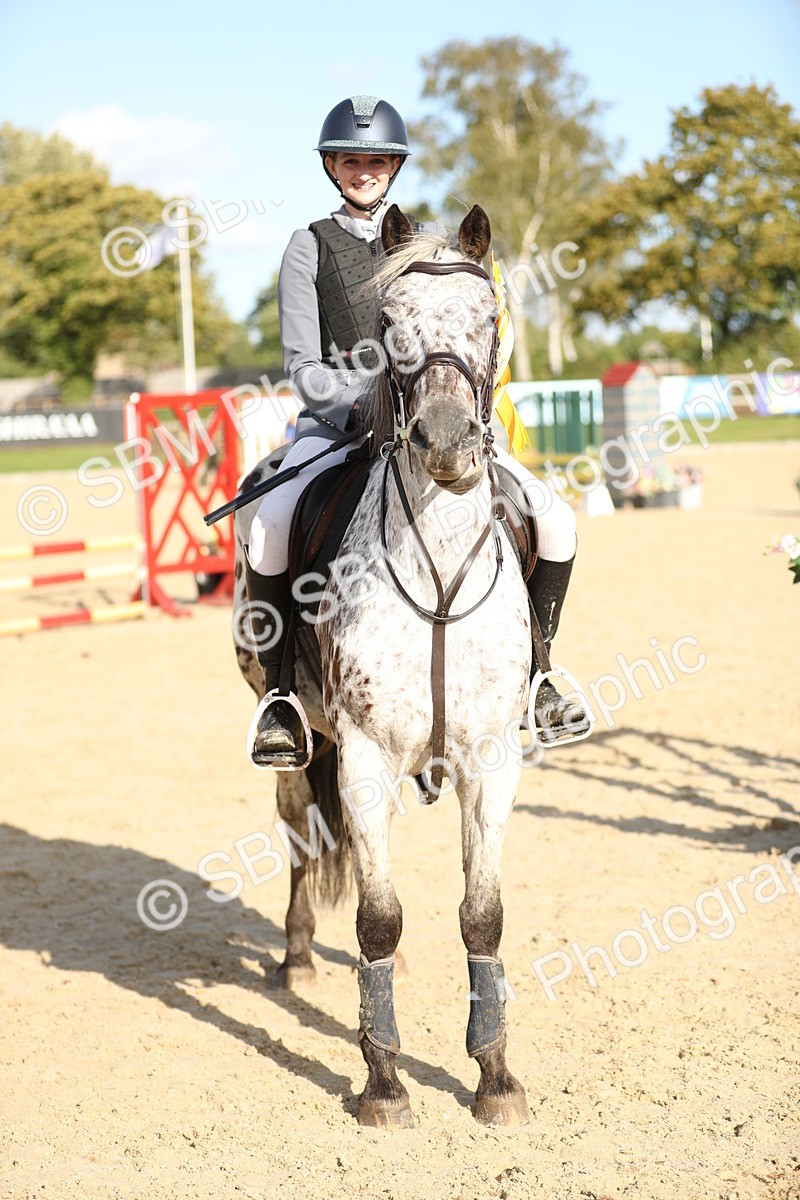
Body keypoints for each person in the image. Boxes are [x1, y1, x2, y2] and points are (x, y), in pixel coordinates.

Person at [244, 95, 589, 770]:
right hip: (337, 427)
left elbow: (476, 331)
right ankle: (283, 697)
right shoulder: (306, 246)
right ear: (331, 166)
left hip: (435, 421)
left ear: (395, 165)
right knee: (269, 525)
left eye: (376, 160)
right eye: (351, 160)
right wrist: (366, 402)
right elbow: (301, 366)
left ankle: (540, 673)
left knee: (555, 519)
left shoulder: (435, 246)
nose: (363, 170)